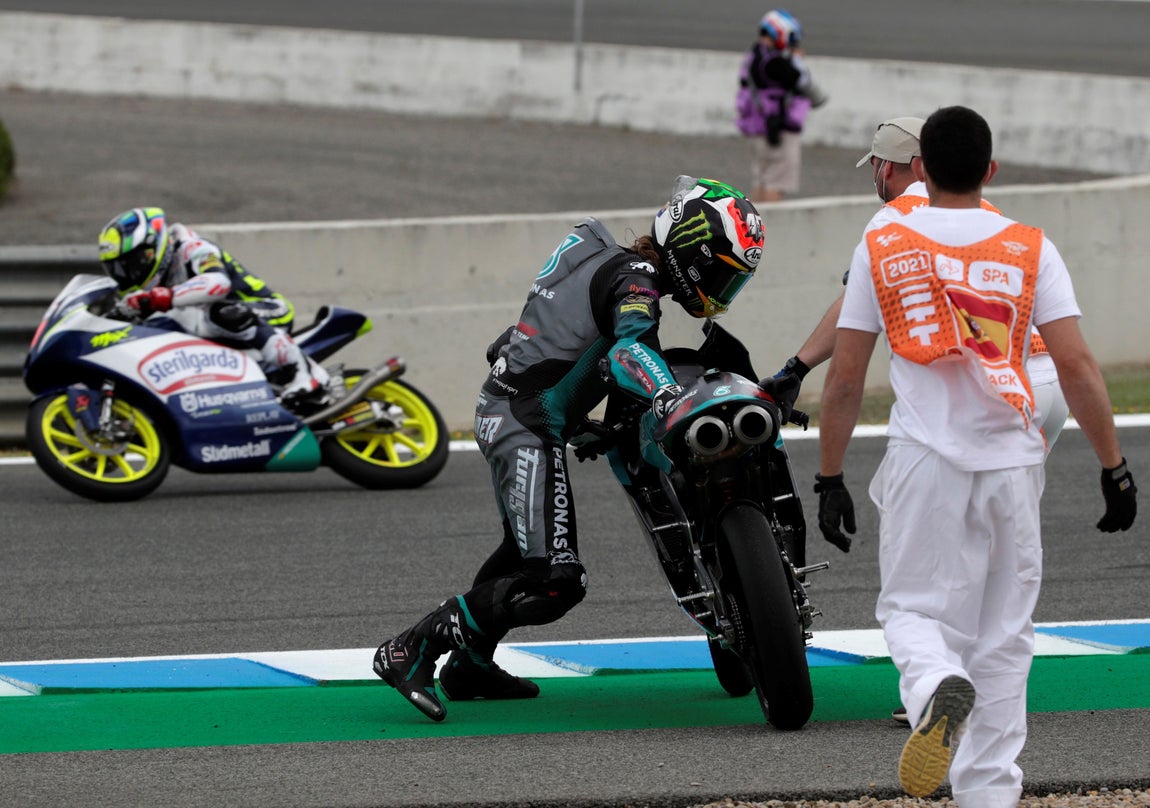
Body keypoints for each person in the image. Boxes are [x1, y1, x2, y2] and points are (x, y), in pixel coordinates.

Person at [816, 105, 1137, 806]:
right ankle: (989, 792)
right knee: (1006, 637)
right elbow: (1077, 365)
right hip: (1015, 463)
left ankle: (932, 686)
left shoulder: (885, 239)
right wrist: (1113, 465)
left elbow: (844, 377)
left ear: (921, 169)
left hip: (925, 458)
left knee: (911, 612)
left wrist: (830, 475)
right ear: (991, 171)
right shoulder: (1031, 247)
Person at [373, 176, 766, 722]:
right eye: (722, 270)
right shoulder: (638, 277)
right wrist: (668, 394)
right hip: (524, 423)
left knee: (520, 552)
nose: (724, 288)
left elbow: (541, 343)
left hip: (523, 414)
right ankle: (412, 646)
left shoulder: (608, 260)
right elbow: (628, 346)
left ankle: (470, 665)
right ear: (692, 252)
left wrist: (588, 425)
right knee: (556, 582)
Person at [768, 116, 1068, 460]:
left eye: (875, 165)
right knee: (1007, 509)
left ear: (888, 168)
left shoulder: (894, 217)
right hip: (1043, 382)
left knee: (935, 508)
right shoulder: (988, 210)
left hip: (983, 392)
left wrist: (796, 369)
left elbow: (855, 304)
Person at [97, 206, 328, 401]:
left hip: (265, 309)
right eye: (118, 269)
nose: (128, 274)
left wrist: (166, 297)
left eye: (132, 264)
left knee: (215, 313)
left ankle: (304, 372)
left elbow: (217, 284)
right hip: (224, 331)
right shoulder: (145, 291)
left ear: (153, 247)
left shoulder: (192, 248)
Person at [735, 9, 828, 203]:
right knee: (776, 182)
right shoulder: (776, 62)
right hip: (778, 131)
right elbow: (809, 87)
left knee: (762, 179)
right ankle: (771, 228)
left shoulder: (753, 56)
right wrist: (796, 60)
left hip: (756, 129)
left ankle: (755, 228)